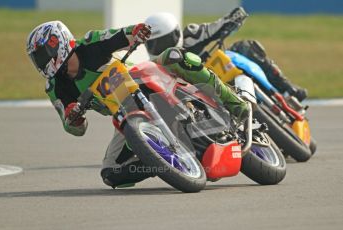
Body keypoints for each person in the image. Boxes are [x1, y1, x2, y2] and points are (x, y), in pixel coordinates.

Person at [26, 20, 248, 188]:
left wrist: (138, 31)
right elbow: (75, 128)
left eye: (43, 54)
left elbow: (122, 35)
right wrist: (73, 117)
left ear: (59, 43)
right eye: (36, 58)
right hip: (125, 115)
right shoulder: (55, 88)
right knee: (112, 173)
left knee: (176, 57)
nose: (41, 62)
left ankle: (233, 100)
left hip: (141, 77)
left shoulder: (90, 43)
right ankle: (163, 162)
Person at [144, 7, 308, 101]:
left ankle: (286, 88)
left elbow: (215, 27)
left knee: (244, 47)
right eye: (152, 44)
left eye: (163, 41)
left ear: (175, 34)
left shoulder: (192, 34)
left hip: (219, 70)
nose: (158, 47)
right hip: (203, 94)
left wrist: (232, 19)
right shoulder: (159, 66)